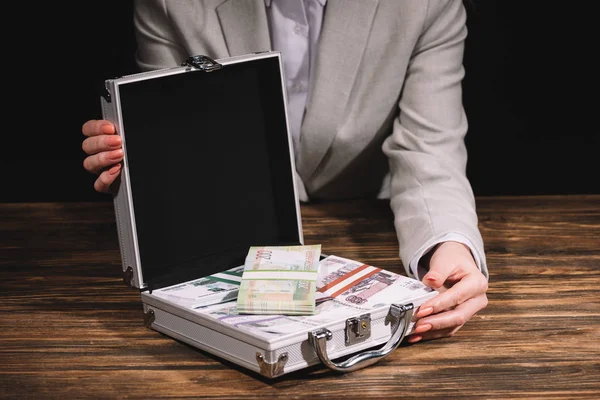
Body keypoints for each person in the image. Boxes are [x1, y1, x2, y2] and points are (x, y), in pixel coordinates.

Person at [81, 0, 488, 344]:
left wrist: (448, 245)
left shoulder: (427, 6)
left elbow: (430, 149)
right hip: (228, 231)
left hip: (364, 215)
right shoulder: (173, 4)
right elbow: (174, 149)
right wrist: (136, 173)